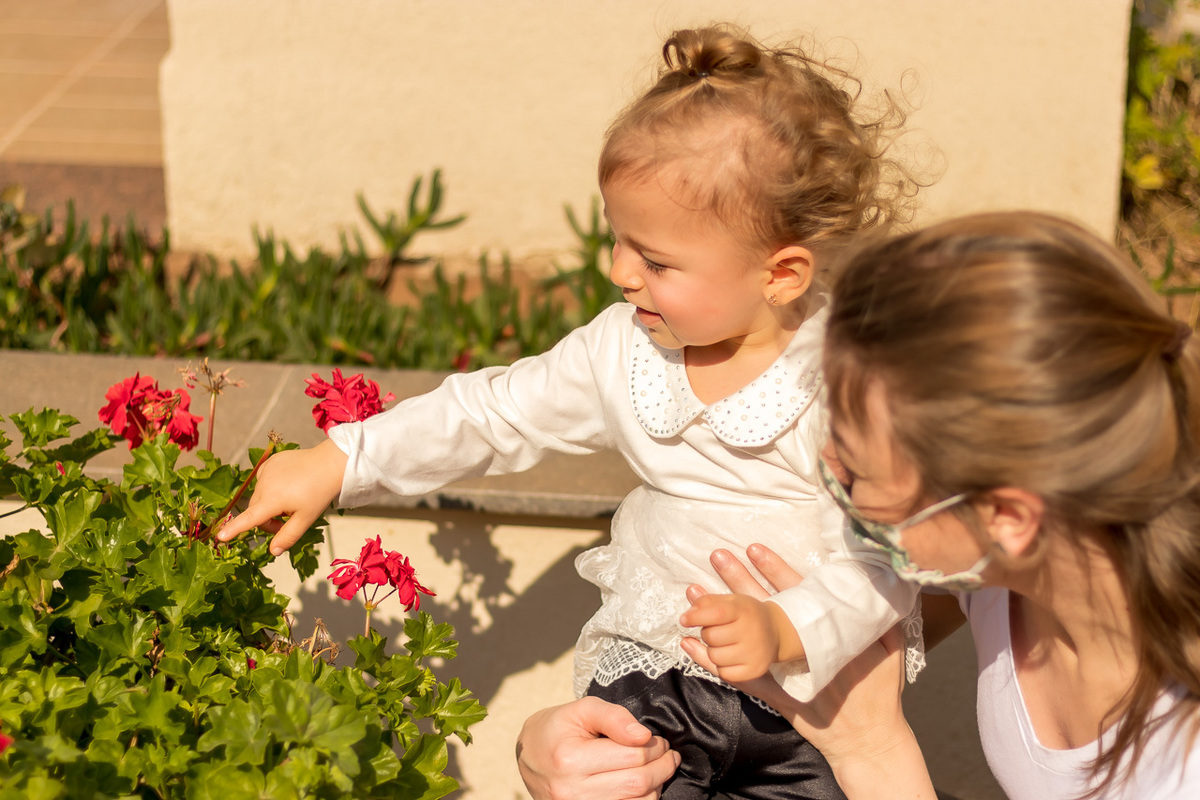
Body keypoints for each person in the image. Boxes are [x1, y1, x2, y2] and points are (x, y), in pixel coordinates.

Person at [221, 24, 921, 799]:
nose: (619, 272)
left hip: (809, 710)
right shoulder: (624, 351)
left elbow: (889, 555)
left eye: (655, 260)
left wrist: (788, 629)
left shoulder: (843, 382)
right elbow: (493, 414)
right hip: (655, 693)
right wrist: (342, 459)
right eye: (618, 239)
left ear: (781, 274)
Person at [518, 211, 1200, 799]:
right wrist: (556, 747)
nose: (826, 477)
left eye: (856, 473)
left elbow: (858, 726)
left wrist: (874, 753)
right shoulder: (1004, 576)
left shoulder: (1182, 759)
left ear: (1009, 518)